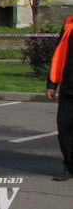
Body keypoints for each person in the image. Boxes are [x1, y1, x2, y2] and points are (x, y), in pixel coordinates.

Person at [46, 15, 73, 181]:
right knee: (64, 129)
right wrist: (51, 84)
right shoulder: (69, 23)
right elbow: (58, 54)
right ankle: (69, 166)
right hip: (68, 87)